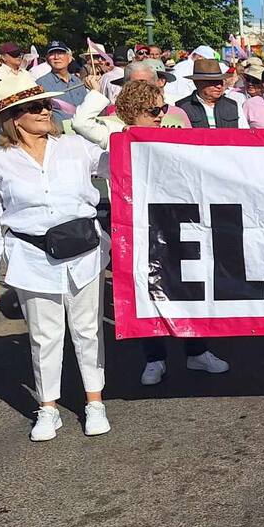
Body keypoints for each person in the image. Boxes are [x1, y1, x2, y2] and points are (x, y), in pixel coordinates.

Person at [0, 74, 111, 441]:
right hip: (33, 257)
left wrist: (105, 114)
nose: (45, 111)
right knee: (45, 336)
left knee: (88, 330)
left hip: (85, 252)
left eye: (46, 104)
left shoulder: (75, 146)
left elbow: (119, 163)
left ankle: (95, 401)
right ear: (13, 118)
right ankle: (48, 407)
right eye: (34, 107)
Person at [73, 75, 232, 385]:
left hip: (175, 221)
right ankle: (154, 358)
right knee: (145, 292)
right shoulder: (115, 133)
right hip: (135, 227)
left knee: (186, 288)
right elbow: (81, 123)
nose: (161, 115)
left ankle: (197, 351)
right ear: (133, 110)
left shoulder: (169, 132)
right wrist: (96, 92)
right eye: (154, 110)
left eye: (163, 108)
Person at [175, 58, 246, 128]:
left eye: (221, 81)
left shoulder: (233, 106)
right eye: (213, 82)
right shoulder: (182, 107)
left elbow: (244, 132)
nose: (219, 86)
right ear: (197, 83)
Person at [36, 41, 89, 125]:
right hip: (59, 131)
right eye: (52, 54)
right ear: (47, 59)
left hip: (83, 128)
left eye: (60, 53)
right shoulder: (41, 84)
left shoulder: (78, 82)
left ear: (69, 58)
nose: (56, 57)